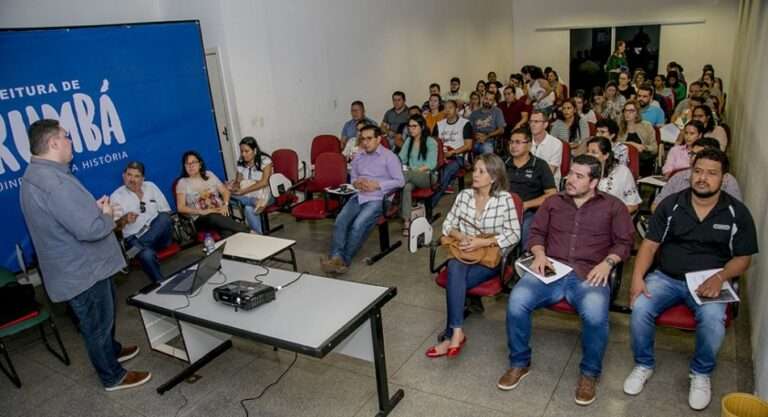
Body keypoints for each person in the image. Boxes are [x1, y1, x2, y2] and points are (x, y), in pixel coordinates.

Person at [20, 119, 151, 391]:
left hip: (78, 267)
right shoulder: (53, 182)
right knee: (96, 324)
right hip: (82, 272)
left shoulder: (37, 175)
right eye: (67, 137)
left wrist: (90, 209)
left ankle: (111, 350)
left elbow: (63, 218)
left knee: (102, 318)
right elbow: (89, 230)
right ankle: (112, 375)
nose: (71, 142)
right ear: (54, 143)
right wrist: (104, 215)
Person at [625, 148, 758, 411]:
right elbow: (650, 246)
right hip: (667, 277)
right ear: (690, 173)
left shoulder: (736, 213)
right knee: (640, 307)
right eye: (698, 171)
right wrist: (637, 279)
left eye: (711, 173)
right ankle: (643, 364)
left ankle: (701, 373)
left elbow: (744, 259)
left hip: (710, 281)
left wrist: (721, 277)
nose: (703, 178)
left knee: (712, 321)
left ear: (724, 178)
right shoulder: (672, 204)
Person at [498, 155, 634, 406]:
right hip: (551, 269)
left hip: (589, 272)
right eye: (571, 173)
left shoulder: (613, 207)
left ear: (594, 182)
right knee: (517, 300)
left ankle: (589, 374)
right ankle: (519, 362)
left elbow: (625, 243)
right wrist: (538, 253)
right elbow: (536, 233)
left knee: (595, 314)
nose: (570, 180)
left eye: (579, 176)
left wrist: (608, 263)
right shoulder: (553, 202)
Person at [425, 154, 520, 358]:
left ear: (493, 177)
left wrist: (481, 242)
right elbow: (448, 225)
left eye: (481, 171)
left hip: (489, 256)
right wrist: (462, 236)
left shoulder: (505, 200)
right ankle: (457, 332)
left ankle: (451, 335)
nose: (474, 175)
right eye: (475, 170)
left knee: (454, 278)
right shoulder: (464, 195)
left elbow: (514, 234)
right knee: (455, 268)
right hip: (464, 251)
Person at [321, 125, 405, 273]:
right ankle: (335, 257)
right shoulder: (359, 155)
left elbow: (400, 181)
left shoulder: (389, 157)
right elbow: (353, 176)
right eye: (363, 139)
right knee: (340, 221)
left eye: (369, 139)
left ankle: (343, 261)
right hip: (359, 195)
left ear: (378, 139)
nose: (365, 142)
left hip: (379, 198)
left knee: (357, 225)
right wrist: (356, 182)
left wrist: (378, 185)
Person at [111, 161, 173, 283]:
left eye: (136, 176)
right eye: (129, 175)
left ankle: (134, 251)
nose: (132, 179)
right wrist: (125, 219)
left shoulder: (151, 187)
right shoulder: (116, 196)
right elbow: (115, 228)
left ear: (143, 178)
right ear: (124, 176)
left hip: (160, 236)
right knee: (146, 255)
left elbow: (167, 213)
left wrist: (154, 229)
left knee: (164, 218)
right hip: (133, 238)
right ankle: (161, 284)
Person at [651, 137, 742, 212]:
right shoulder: (678, 177)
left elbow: (736, 213)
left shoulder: (728, 181)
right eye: (692, 154)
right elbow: (656, 206)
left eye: (699, 155)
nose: (693, 159)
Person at [176, 151, 250, 237]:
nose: (190, 166)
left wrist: (225, 204)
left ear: (200, 164)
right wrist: (201, 212)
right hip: (200, 218)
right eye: (187, 164)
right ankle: (248, 231)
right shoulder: (182, 182)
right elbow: (181, 208)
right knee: (214, 217)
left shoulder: (209, 174)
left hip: (220, 211)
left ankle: (231, 247)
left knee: (226, 231)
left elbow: (225, 191)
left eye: (193, 162)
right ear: (184, 166)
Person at [505, 127, 556, 248]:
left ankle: (525, 258)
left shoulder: (540, 165)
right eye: (511, 142)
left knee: (527, 227)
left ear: (529, 145)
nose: (513, 146)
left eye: (518, 142)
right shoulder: (504, 163)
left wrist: (525, 205)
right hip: (504, 208)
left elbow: (552, 194)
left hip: (530, 211)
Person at [399, 115, 438, 233]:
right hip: (411, 177)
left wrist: (411, 171)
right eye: (409, 126)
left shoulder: (430, 141)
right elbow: (401, 158)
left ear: (422, 127)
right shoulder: (409, 140)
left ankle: (389, 192)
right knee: (406, 187)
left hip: (428, 176)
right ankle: (407, 222)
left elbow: (431, 164)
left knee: (404, 176)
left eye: (414, 126)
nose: (411, 129)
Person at [227, 137, 273, 234]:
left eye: (246, 151)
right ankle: (254, 202)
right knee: (227, 193)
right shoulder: (241, 162)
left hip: (266, 193)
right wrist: (233, 186)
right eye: (242, 151)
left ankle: (257, 238)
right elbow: (238, 182)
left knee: (246, 206)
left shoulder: (265, 160)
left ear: (255, 150)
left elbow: (264, 182)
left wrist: (243, 191)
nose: (243, 154)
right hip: (250, 196)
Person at [431, 100, 473, 206]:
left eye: (450, 107)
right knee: (428, 173)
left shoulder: (465, 124)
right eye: (445, 108)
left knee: (445, 173)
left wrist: (452, 152)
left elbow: (468, 145)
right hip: (440, 156)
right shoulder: (439, 125)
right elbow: (432, 143)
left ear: (457, 110)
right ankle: (426, 200)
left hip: (457, 156)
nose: (447, 110)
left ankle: (430, 204)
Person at [585, 137, 641, 213]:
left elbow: (633, 205)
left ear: (606, 155)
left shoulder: (622, 172)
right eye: (587, 151)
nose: (588, 155)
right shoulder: (582, 170)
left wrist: (612, 216)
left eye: (594, 152)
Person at [618, 100, 657, 176]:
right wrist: (633, 144)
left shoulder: (646, 126)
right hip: (623, 160)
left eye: (631, 111)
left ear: (637, 113)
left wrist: (644, 147)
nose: (627, 113)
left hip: (643, 159)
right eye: (625, 110)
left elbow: (654, 148)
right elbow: (616, 144)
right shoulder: (620, 126)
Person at [528, 110, 563, 184]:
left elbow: (549, 173)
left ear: (545, 124)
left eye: (536, 121)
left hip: (547, 184)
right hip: (527, 182)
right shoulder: (525, 141)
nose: (532, 124)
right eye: (531, 121)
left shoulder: (556, 144)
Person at [469, 91, 506, 155]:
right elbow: (469, 129)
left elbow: (501, 130)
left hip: (490, 141)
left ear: (493, 101)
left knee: (487, 150)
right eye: (486, 98)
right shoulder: (475, 113)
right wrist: (475, 135)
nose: (487, 101)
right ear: (483, 98)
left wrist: (487, 136)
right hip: (475, 141)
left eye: (490, 100)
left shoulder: (497, 111)